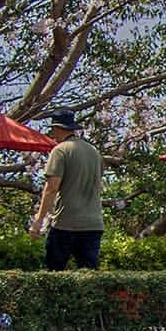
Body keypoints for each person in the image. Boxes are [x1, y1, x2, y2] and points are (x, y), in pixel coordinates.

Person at [29, 108, 104, 270]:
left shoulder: (60, 150)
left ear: (56, 128)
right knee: (89, 276)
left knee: (54, 273)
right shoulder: (94, 152)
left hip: (67, 223)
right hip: (94, 223)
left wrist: (39, 220)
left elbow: (51, 188)